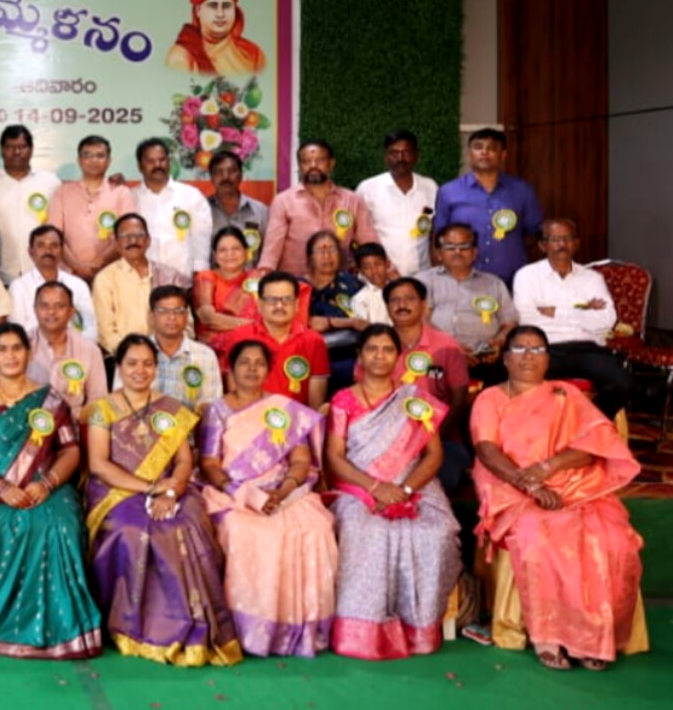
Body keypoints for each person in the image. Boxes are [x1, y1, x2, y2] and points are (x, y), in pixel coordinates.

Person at [469, 326, 647, 670]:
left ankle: (590, 637)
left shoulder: (566, 394)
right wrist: (532, 486)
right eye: (519, 349)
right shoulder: (489, 399)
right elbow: (487, 451)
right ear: (505, 359)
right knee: (540, 538)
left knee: (614, 540)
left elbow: (595, 443)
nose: (528, 357)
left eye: (536, 350)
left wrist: (549, 467)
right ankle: (548, 636)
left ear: (548, 360)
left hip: (574, 484)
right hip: (511, 486)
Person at [85, 334, 242, 666]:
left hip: (172, 487)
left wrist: (172, 491)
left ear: (155, 368)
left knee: (184, 526)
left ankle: (192, 628)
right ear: (119, 367)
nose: (139, 370)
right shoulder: (102, 410)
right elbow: (98, 465)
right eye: (132, 363)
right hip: (118, 491)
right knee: (133, 530)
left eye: (147, 363)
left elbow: (184, 460)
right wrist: (151, 487)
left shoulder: (171, 408)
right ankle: (132, 626)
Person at [0, 324, 104, 659]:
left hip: (45, 485)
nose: (10, 356)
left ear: (29, 353)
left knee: (59, 525)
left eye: (17, 348)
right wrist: (2, 487)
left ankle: (59, 626)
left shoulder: (51, 399)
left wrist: (46, 484)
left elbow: (70, 451)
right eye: (2, 349)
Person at [324, 324, 461, 660]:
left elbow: (434, 455)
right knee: (365, 532)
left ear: (398, 357)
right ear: (359, 355)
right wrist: (375, 487)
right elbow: (334, 458)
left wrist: (406, 488)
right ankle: (362, 633)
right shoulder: (343, 400)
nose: (379, 356)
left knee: (436, 533)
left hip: (413, 484)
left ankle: (419, 629)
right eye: (372, 349)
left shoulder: (415, 400)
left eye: (387, 350)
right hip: (359, 486)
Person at [197, 340, 338, 657]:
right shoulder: (218, 410)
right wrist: (240, 491)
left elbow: (300, 460)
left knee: (316, 529)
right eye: (244, 363)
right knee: (245, 531)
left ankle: (301, 629)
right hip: (234, 492)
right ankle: (251, 631)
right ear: (231, 369)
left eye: (259, 363)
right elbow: (209, 463)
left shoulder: (282, 408)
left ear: (268, 369)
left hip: (284, 491)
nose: (251, 369)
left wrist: (283, 490)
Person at [510, 218, 635, 419]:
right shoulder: (526, 276)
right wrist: (583, 313)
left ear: (576, 243)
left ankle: (586, 425)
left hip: (587, 349)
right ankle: (545, 431)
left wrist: (556, 312)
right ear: (542, 245)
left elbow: (607, 320)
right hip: (545, 348)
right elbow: (527, 319)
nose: (562, 244)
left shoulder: (592, 278)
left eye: (568, 238)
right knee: (523, 382)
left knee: (622, 383)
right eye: (555, 239)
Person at [382, 276, 474, 487]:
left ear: (424, 304)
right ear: (387, 307)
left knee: (433, 482)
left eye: (409, 299)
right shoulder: (377, 345)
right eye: (395, 300)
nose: (402, 305)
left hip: (442, 439)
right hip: (388, 441)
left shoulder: (446, 345)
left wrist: (432, 439)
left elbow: (459, 398)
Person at [434, 128, 542, 285]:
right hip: (462, 280)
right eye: (478, 147)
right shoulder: (448, 191)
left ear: (503, 155)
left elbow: (534, 233)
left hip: (510, 280)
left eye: (491, 148)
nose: (484, 152)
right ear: (469, 154)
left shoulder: (522, 190)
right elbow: (439, 237)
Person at [260, 139, 379, 277]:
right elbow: (272, 248)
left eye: (320, 160)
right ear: (300, 166)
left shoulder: (352, 200)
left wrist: (386, 270)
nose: (313, 166)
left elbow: (369, 243)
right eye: (306, 161)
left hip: (339, 283)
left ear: (331, 163)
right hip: (295, 282)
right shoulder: (283, 201)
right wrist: (265, 271)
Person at [415, 223, 518, 375]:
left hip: (485, 359)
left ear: (475, 252)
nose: (458, 252)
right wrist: (449, 347)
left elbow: (509, 323)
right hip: (438, 356)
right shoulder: (424, 281)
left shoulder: (493, 283)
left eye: (464, 246)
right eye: (450, 247)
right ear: (439, 253)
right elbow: (419, 321)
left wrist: (498, 342)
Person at [0, 125, 61, 283]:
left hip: (42, 275)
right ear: (1, 150)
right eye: (10, 147)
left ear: (31, 150)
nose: (16, 152)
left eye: (22, 147)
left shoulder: (50, 182)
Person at [223, 273, 327, 408]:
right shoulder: (240, 336)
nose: (279, 306)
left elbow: (315, 405)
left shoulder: (314, 341)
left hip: (297, 418)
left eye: (287, 299)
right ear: (259, 304)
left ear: (297, 304)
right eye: (272, 300)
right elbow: (235, 393)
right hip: (251, 416)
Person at [45, 134, 138, 285]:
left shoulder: (121, 193)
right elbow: (54, 235)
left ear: (109, 161)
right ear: (79, 160)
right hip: (68, 277)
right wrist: (75, 266)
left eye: (100, 156)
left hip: (111, 275)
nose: (94, 161)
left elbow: (126, 235)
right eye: (88, 155)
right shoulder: (62, 192)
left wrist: (99, 263)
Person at [92, 213, 187, 355]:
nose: (133, 241)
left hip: (169, 355)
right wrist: (134, 356)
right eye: (125, 236)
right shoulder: (105, 279)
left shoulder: (169, 276)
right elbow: (106, 333)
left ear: (148, 240)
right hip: (125, 360)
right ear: (116, 244)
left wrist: (168, 352)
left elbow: (186, 323)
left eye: (138, 235)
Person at [356, 130, 438, 279]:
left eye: (406, 152)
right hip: (380, 278)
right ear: (385, 157)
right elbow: (359, 234)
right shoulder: (368, 188)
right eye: (394, 153)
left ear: (416, 155)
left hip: (422, 276)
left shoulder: (430, 187)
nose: (400, 158)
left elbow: (435, 232)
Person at [166, 0, 267, 77]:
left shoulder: (253, 54)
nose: (220, 14)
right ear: (198, 10)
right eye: (213, 6)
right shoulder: (182, 56)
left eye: (226, 6)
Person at [134, 138, 212, 275]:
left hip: (183, 278)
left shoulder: (191, 195)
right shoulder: (131, 198)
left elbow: (201, 238)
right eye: (150, 161)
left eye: (162, 160)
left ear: (169, 162)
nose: (158, 165)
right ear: (140, 166)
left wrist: (199, 274)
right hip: (142, 280)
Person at [27, 281, 108, 414]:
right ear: (35, 310)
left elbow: (97, 400)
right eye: (44, 305)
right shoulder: (22, 345)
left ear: (71, 312)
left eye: (59, 306)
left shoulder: (90, 350)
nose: (51, 312)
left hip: (73, 422)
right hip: (28, 421)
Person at [303, 229, 369, 383]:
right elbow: (305, 322)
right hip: (310, 356)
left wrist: (328, 323)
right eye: (321, 250)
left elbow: (366, 320)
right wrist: (349, 322)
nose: (327, 256)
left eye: (332, 250)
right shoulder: (299, 286)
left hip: (351, 353)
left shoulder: (352, 283)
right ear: (310, 257)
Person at [194, 226, 271, 358]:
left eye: (236, 249)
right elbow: (208, 318)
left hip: (255, 347)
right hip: (214, 350)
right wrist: (252, 325)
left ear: (246, 252)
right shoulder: (206, 277)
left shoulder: (257, 278)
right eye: (223, 250)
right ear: (215, 255)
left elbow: (269, 316)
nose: (229, 254)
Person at [6, 225, 96, 336]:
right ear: (31, 252)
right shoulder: (19, 287)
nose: (48, 251)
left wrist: (75, 344)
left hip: (75, 345)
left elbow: (91, 328)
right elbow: (17, 331)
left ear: (62, 251)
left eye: (54, 246)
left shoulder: (78, 285)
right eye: (41, 246)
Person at [148, 285, 223, 408]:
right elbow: (123, 401)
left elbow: (212, 407)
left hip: (191, 420)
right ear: (152, 315)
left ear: (187, 315)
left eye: (178, 311)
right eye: (164, 311)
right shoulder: (136, 353)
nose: (172, 317)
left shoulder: (205, 356)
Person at [205, 151, 268, 256]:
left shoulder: (260, 211)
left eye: (231, 171)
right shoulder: (201, 210)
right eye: (219, 172)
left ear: (241, 175)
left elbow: (269, 252)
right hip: (211, 267)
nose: (225, 177)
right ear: (211, 177)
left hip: (251, 267)